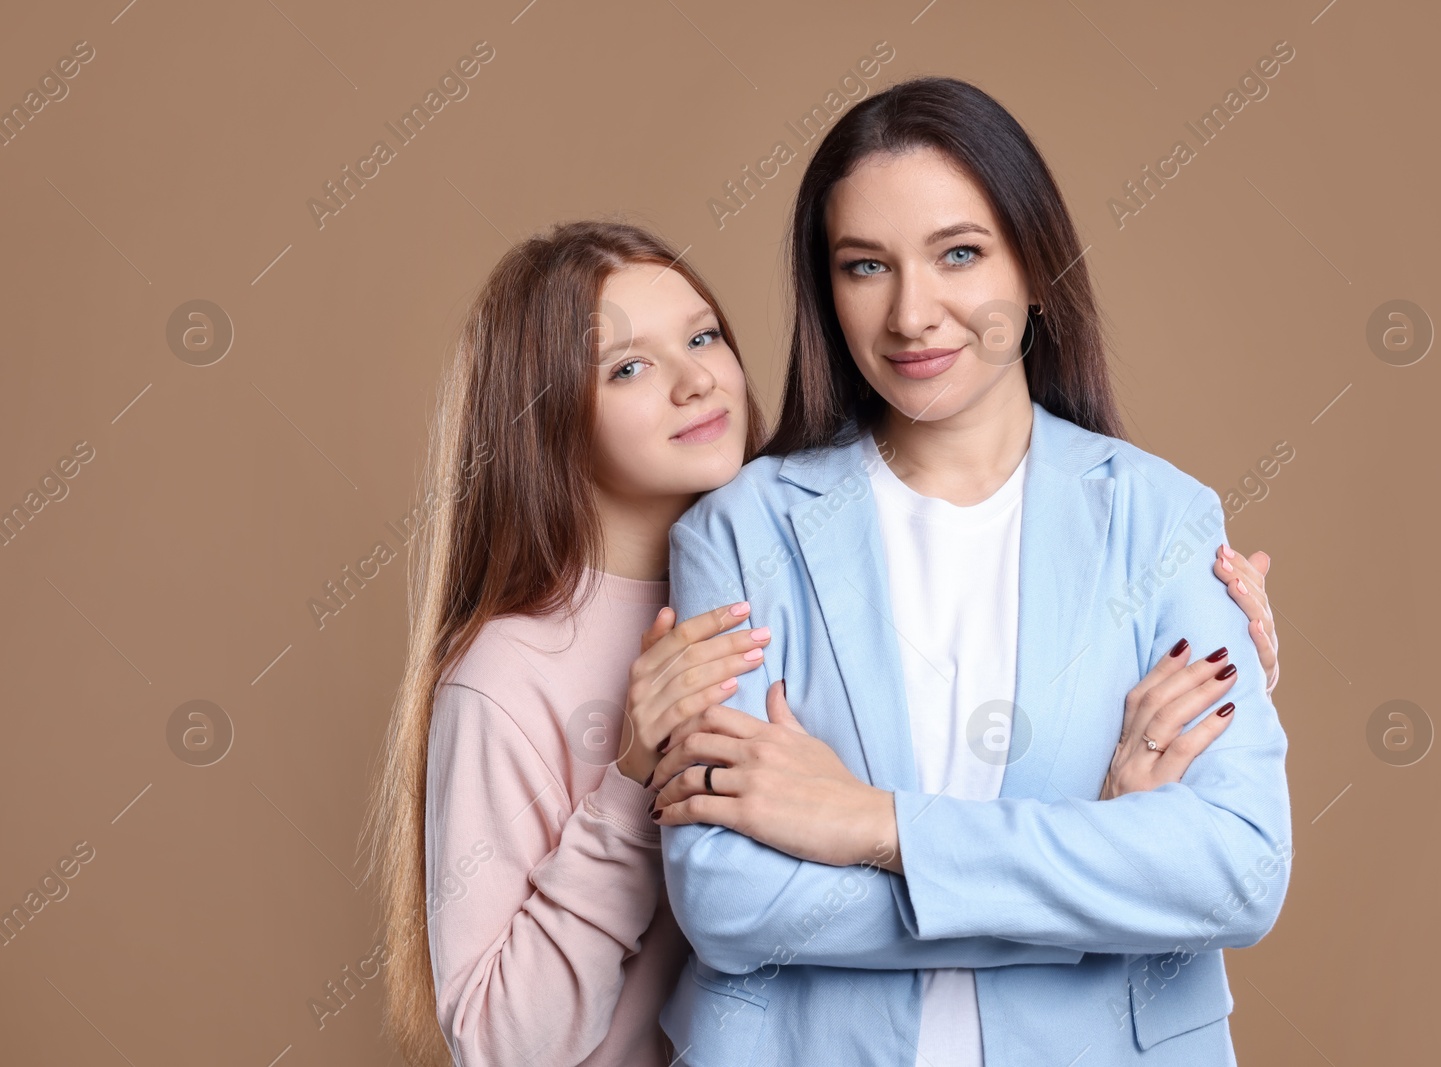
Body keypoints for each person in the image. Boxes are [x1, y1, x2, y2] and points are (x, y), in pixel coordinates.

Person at [361, 214, 1281, 1067]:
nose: (695, 381)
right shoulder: (509, 673)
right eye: (627, 368)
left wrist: (1205, 656)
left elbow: (1214, 858)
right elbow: (510, 1034)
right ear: (545, 416)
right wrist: (631, 777)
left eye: (703, 336)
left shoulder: (786, 553)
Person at [651, 76, 1292, 1066]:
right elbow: (727, 903)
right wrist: (1096, 864)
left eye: (958, 253)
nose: (912, 313)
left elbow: (1238, 869)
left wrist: (872, 823)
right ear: (827, 290)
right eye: (866, 266)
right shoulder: (738, 533)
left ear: (1035, 266)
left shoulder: (1162, 516)